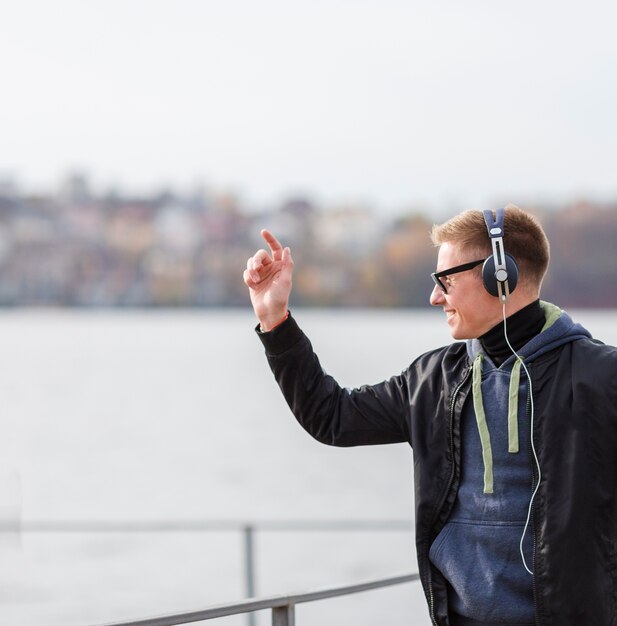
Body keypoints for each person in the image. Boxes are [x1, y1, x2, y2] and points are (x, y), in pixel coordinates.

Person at [243, 205, 617, 626]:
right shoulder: (433, 380)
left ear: (501, 276)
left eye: (446, 281)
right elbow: (333, 416)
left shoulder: (600, 377)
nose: (435, 296)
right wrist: (274, 319)